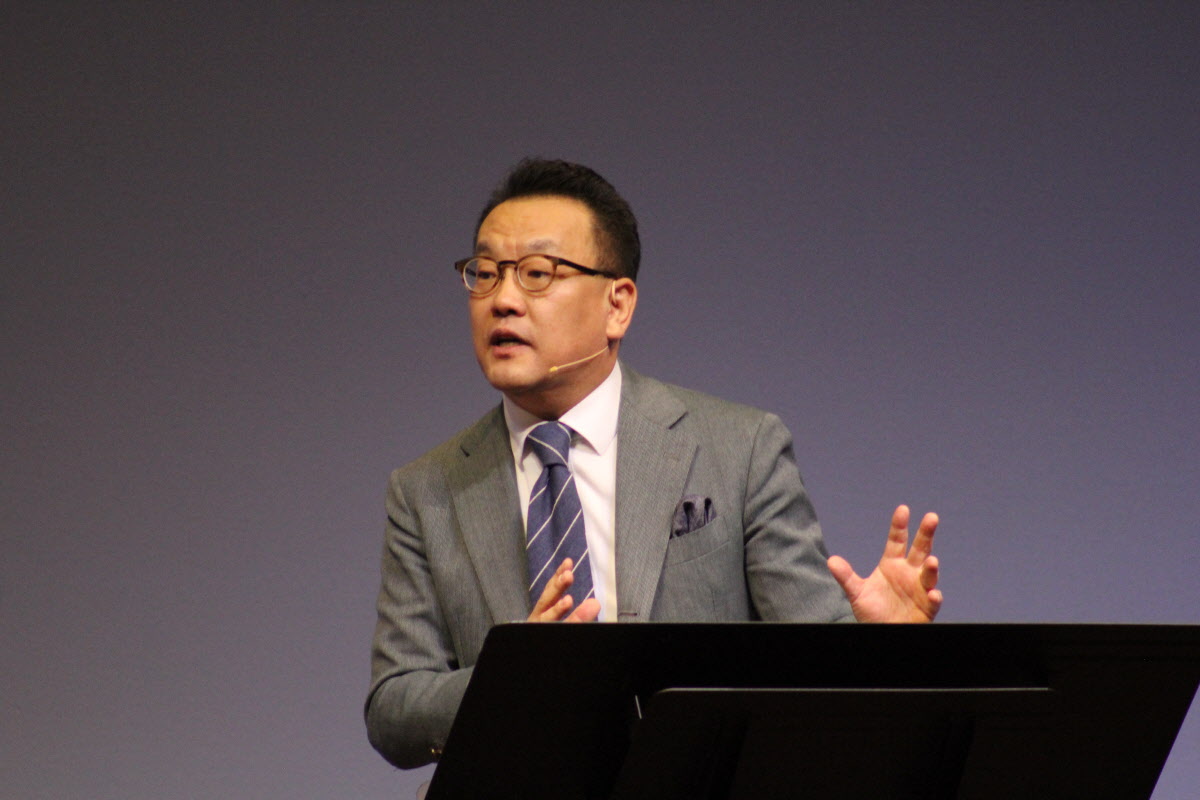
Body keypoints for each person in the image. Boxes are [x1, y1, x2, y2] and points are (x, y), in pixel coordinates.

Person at [366, 158, 942, 770]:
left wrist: (882, 651)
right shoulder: (427, 490)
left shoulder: (739, 450)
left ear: (617, 305)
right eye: (485, 275)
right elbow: (394, 708)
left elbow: (813, 667)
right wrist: (513, 678)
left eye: (537, 274)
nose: (503, 301)